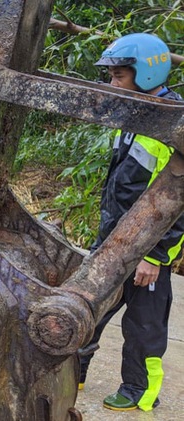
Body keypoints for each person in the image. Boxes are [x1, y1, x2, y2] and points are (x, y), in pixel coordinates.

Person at [77, 33, 184, 412]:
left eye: (119, 76)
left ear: (148, 74)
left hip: (146, 251)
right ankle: (73, 371)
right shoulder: (136, 113)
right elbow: (121, 187)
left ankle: (139, 392)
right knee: (88, 308)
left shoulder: (174, 124)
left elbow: (178, 206)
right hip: (115, 242)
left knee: (143, 327)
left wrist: (154, 256)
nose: (112, 85)